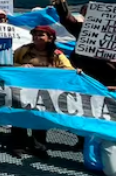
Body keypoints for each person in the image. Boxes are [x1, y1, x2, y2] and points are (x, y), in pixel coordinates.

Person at [11, 25, 74, 159]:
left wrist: (52, 72)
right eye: (35, 34)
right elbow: (9, 62)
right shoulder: (24, 50)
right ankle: (18, 145)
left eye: (41, 35)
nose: (37, 37)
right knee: (19, 115)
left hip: (44, 93)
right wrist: (21, 66)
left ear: (50, 38)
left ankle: (39, 147)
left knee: (40, 118)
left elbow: (68, 69)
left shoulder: (57, 54)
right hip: (22, 89)